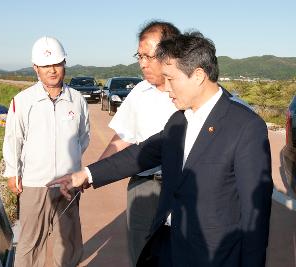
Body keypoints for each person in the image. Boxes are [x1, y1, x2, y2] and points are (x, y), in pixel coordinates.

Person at [48, 32, 273, 267]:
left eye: (171, 79)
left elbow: (254, 216)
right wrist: (86, 174)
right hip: (167, 247)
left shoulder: (245, 127)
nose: (166, 89)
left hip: (211, 255)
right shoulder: (179, 121)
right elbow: (140, 153)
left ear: (198, 75)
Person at [3, 36, 90, 267]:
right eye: (45, 66)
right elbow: (14, 139)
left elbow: (83, 137)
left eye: (57, 64)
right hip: (34, 182)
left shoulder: (77, 100)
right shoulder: (23, 101)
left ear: (64, 64)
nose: (52, 70)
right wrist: (13, 173)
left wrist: (72, 167)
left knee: (69, 239)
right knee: (30, 242)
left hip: (68, 182)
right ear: (36, 68)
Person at [98, 21, 179, 265]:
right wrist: (95, 171)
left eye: (148, 56)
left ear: (170, 53)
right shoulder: (139, 92)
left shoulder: (190, 92)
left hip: (181, 186)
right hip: (143, 185)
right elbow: (123, 137)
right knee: (141, 253)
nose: (142, 63)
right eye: (139, 56)